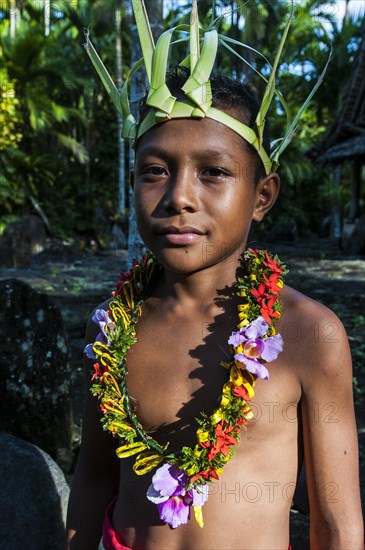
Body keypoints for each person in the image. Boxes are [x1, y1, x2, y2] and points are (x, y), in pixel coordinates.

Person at [66, 3, 363, 549]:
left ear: (262, 196)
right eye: (155, 171)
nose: (179, 196)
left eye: (214, 172)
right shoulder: (111, 331)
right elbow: (93, 478)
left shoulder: (308, 335)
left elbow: (337, 523)